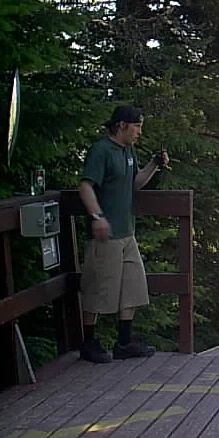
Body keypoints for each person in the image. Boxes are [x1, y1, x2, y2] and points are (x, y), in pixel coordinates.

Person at [78, 105, 170, 363]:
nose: (139, 132)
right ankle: (89, 342)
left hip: (127, 232)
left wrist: (154, 164)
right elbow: (85, 186)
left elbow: (134, 183)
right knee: (98, 286)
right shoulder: (101, 150)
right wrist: (97, 216)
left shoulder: (128, 151)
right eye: (137, 126)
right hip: (105, 234)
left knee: (132, 285)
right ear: (121, 125)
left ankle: (124, 342)